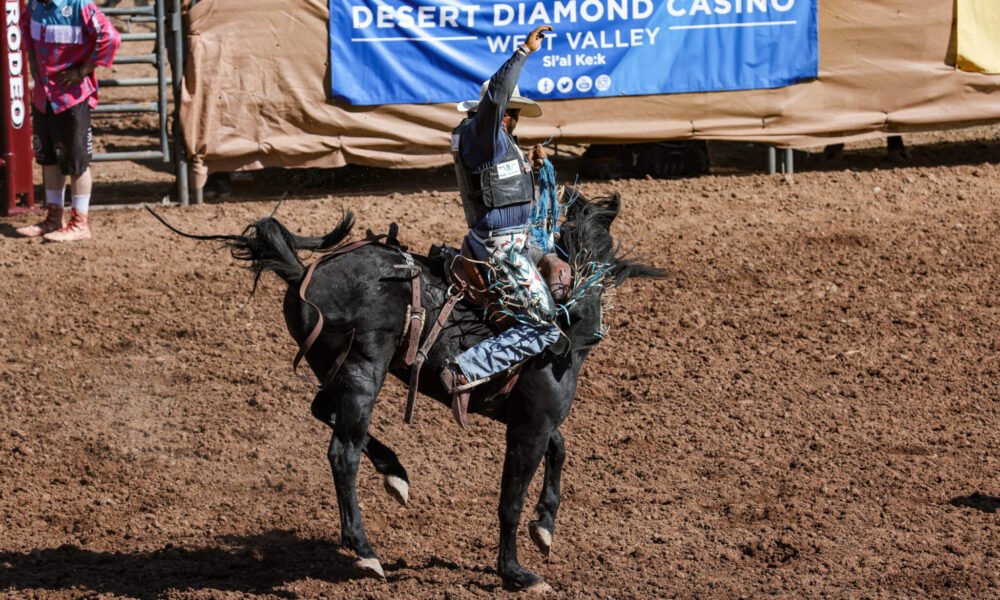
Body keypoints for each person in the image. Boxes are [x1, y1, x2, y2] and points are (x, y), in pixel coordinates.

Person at [440, 25, 562, 426]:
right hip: (499, 247)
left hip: (515, 239)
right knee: (544, 326)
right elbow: (495, 96)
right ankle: (466, 368)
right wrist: (524, 52)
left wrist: (534, 170)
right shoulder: (482, 135)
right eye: (509, 112)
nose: (511, 118)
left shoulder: (497, 144)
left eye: (512, 114)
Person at [16, 0, 121, 242]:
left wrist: (82, 71)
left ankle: (80, 223)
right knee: (49, 159)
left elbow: (110, 37)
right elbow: (25, 28)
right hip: (45, 95)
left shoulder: (79, 5)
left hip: (71, 97)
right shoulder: (34, 6)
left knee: (76, 161)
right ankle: (54, 219)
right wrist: (32, 58)